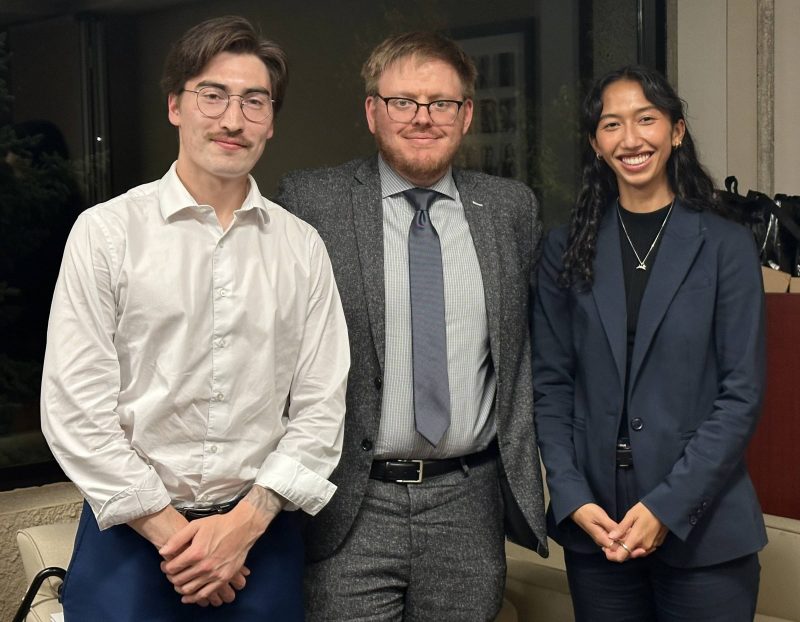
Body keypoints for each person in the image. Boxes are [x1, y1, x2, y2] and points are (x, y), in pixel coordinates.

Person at [40, 16, 349, 621]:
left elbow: (321, 405)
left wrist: (243, 527)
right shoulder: (105, 234)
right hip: (129, 535)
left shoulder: (302, 247)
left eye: (254, 102)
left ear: (271, 122)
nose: (233, 120)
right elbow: (75, 406)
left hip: (258, 535)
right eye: (213, 95)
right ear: (176, 105)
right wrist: (178, 541)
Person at [276, 31, 547, 622]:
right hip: (349, 502)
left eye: (441, 103)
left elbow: (526, 352)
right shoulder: (311, 203)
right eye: (403, 102)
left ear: (466, 114)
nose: (422, 118)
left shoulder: (510, 209)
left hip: (468, 503)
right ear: (372, 111)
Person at [533, 65, 766, 621]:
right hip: (599, 531)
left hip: (706, 533)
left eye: (646, 119)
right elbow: (551, 385)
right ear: (595, 142)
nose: (630, 139)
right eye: (611, 125)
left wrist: (665, 506)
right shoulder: (565, 249)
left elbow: (741, 395)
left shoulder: (726, 246)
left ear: (677, 131)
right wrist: (570, 496)